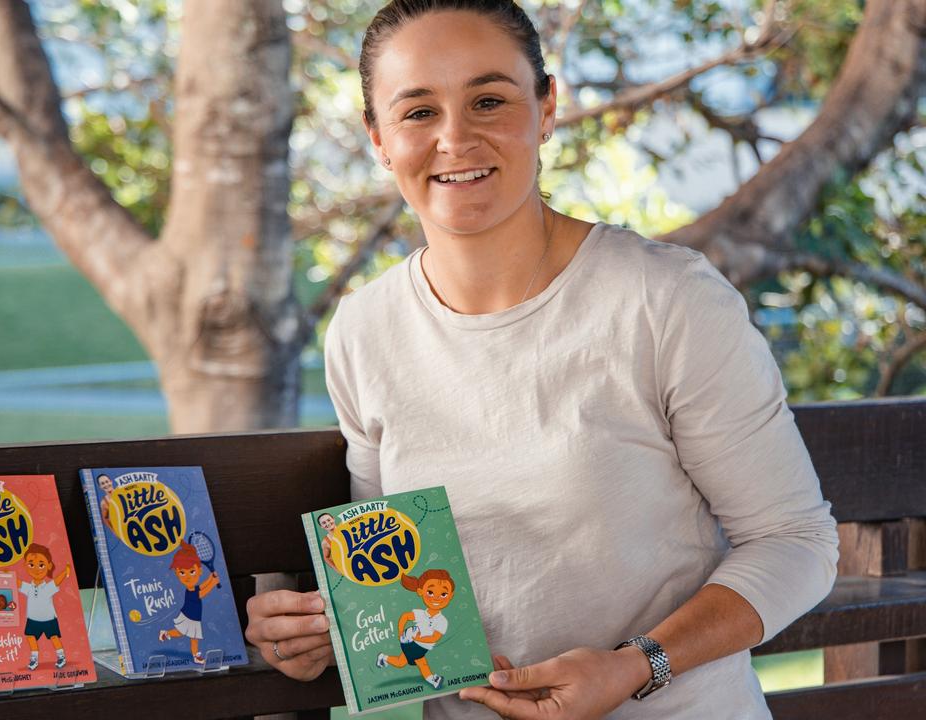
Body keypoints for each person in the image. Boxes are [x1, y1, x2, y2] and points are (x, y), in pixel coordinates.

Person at [243, 2, 839, 719]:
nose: (455, 138)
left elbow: (796, 543)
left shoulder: (665, 300)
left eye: (489, 101)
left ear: (547, 107)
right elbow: (397, 580)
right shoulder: (365, 330)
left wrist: (635, 667)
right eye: (418, 112)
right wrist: (315, 629)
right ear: (378, 137)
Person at [377, 569, 457, 689]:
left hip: (418, 643)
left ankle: (383, 657)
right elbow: (405, 616)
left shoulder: (442, 621)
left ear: (451, 595)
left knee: (401, 662)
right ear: (420, 592)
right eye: (430, 592)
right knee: (421, 662)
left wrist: (418, 637)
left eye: (443, 594)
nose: (436, 598)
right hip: (411, 642)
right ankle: (433, 680)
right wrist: (401, 633)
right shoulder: (420, 614)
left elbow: (435, 637)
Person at [159, 540, 220, 664]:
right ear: (177, 573)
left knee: (185, 634)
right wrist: (213, 583)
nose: (187, 576)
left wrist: (210, 578)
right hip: (189, 616)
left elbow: (201, 586)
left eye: (192, 571)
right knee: (192, 636)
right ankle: (196, 656)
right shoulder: (190, 590)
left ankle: (166, 633)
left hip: (193, 616)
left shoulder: (194, 587)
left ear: (200, 571)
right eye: (182, 572)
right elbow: (201, 593)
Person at [18, 543, 72, 670]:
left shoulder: (48, 587)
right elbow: (17, 583)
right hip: (32, 619)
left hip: (49, 619)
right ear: (25, 565)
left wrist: (65, 572)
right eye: (31, 564)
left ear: (49, 566)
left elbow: (57, 580)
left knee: (54, 637)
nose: (36, 569)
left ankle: (61, 657)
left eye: (41, 565)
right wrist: (5, 575)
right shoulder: (29, 587)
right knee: (30, 637)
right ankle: (34, 659)